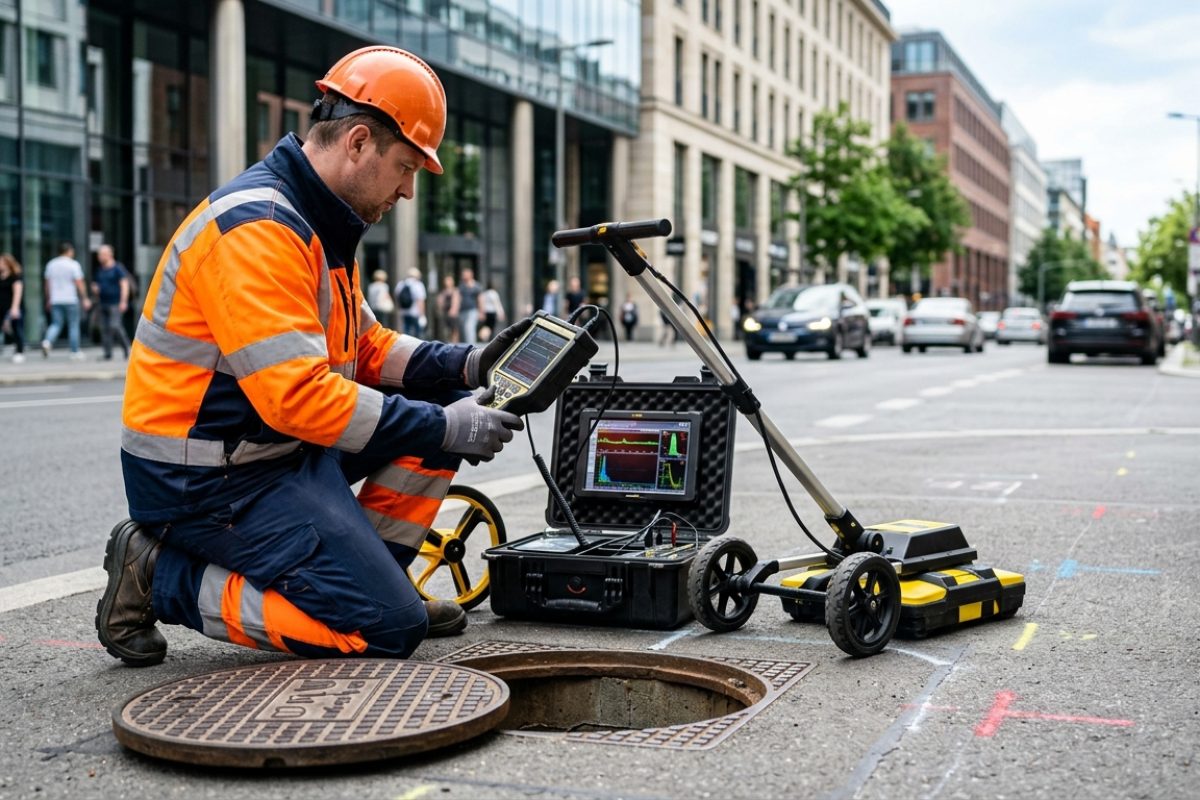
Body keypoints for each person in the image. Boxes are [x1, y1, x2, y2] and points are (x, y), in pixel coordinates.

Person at [95, 45, 534, 669]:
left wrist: (468, 365)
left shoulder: (318, 221)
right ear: (358, 143)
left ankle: (371, 580)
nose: (409, 190)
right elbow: (298, 396)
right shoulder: (260, 229)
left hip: (267, 452)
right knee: (385, 630)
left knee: (447, 404)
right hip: (206, 481)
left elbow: (365, 347)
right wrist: (446, 426)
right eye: (406, 167)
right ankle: (159, 572)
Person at [41, 242, 91, 360]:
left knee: (56, 324)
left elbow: (47, 284)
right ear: (69, 251)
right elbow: (79, 282)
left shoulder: (51, 264)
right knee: (73, 325)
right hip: (70, 299)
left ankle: (47, 342)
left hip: (55, 299)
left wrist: (48, 298)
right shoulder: (73, 265)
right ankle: (74, 351)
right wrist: (84, 298)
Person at [91, 244, 133, 361]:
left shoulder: (117, 268)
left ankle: (126, 349)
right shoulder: (99, 270)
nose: (100, 257)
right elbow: (96, 284)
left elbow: (124, 285)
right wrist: (95, 288)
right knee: (104, 329)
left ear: (110, 254)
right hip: (103, 302)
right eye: (99, 254)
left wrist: (123, 301)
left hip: (115, 303)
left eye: (103, 254)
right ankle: (108, 353)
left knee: (115, 326)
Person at [0, 253, 25, 363]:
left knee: (17, 329)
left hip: (13, 307)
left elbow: (17, 293)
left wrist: (15, 308)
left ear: (7, 263)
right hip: (1, 307)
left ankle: (19, 352)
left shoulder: (15, 276)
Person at [395, 268, 427, 338]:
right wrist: (422, 314)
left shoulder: (401, 284)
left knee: (406, 331)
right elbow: (420, 300)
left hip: (404, 311)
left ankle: (407, 347)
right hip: (415, 312)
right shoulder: (418, 285)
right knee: (417, 332)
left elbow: (398, 297)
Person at [456, 268, 482, 345]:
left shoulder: (476, 286)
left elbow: (480, 299)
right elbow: (458, 298)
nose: (463, 276)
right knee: (463, 329)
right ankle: (465, 346)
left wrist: (481, 311)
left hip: (472, 310)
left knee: (469, 328)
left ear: (471, 275)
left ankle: (471, 345)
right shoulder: (461, 286)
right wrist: (456, 309)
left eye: (465, 274)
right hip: (462, 311)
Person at [435, 274, 460, 342]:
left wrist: (453, 310)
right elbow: (439, 301)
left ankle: (455, 342)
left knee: (454, 329)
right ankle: (448, 341)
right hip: (445, 312)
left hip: (452, 313)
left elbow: (456, 301)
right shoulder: (444, 292)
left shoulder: (454, 290)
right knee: (446, 329)